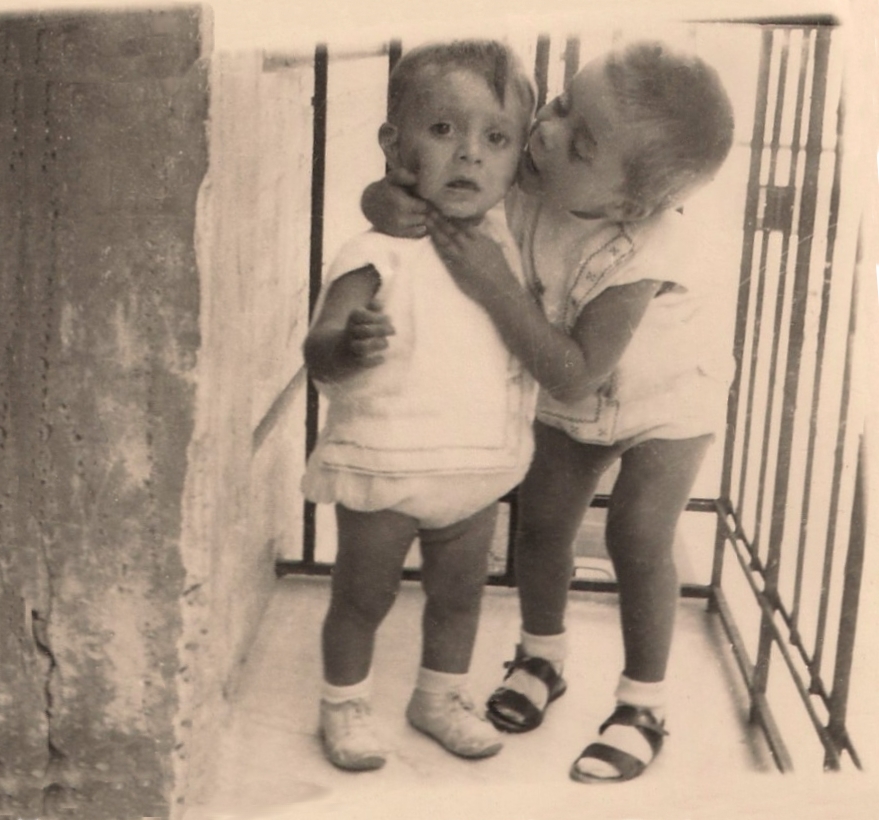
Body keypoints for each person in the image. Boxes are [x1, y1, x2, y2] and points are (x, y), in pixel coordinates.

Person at [362, 39, 735, 783]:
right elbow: (411, 197)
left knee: (637, 536)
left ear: (628, 203)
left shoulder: (645, 244)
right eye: (562, 104)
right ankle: (540, 657)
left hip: (662, 402)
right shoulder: (528, 178)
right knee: (541, 525)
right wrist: (384, 201)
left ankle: (642, 704)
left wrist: (496, 286)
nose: (546, 129)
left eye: (579, 139)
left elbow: (575, 373)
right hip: (566, 391)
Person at [302, 39, 537, 772]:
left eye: (495, 138)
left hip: (474, 467)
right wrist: (349, 345)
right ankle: (343, 705)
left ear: (518, 157)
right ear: (393, 143)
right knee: (362, 596)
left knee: (460, 598)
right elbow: (319, 349)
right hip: (388, 464)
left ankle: (438, 698)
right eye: (442, 130)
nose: (469, 154)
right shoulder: (376, 250)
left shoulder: (508, 239)